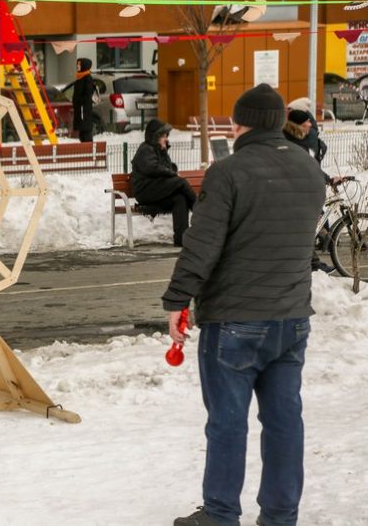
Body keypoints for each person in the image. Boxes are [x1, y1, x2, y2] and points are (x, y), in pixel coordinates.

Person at [165, 84, 326, 526]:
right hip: (291, 319)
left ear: (240, 124)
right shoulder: (311, 171)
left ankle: (220, 514)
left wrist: (177, 299)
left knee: (228, 423)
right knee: (284, 422)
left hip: (235, 321)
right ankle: (280, 514)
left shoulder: (228, 172)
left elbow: (203, 245)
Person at [283, 109, 339, 273]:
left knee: (305, 230)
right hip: (294, 192)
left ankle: (313, 263)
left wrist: (328, 179)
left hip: (301, 191)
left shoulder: (299, 140)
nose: (310, 124)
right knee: (304, 229)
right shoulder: (294, 143)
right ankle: (312, 264)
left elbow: (310, 168)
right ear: (298, 125)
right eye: (306, 122)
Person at [131, 119, 196, 247]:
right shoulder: (145, 149)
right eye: (163, 136)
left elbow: (167, 169)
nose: (166, 139)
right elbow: (152, 168)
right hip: (146, 191)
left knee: (180, 199)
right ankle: (202, 212)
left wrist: (169, 164)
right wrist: (172, 173)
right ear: (155, 137)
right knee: (181, 182)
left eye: (166, 136)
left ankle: (181, 240)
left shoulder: (159, 150)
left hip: (157, 190)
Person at [71, 58, 95, 143]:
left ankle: (89, 151)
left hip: (84, 110)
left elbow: (88, 94)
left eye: (79, 64)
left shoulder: (87, 77)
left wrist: (80, 102)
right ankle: (86, 150)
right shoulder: (80, 77)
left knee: (86, 132)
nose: (77, 66)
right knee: (82, 132)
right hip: (80, 109)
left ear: (84, 66)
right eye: (77, 64)